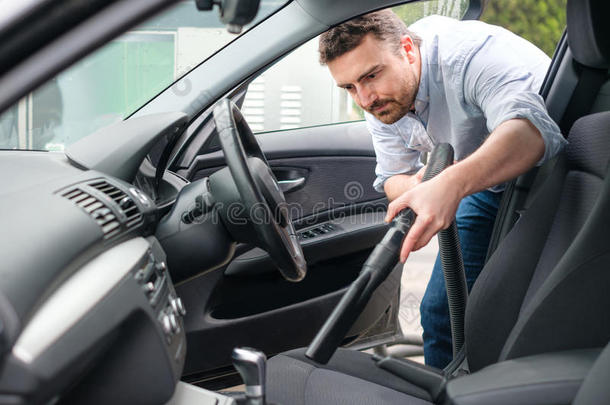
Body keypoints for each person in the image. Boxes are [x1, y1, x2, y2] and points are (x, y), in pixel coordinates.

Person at [318, 10, 567, 368]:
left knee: (509, 312)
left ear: (407, 48)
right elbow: (392, 178)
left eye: (371, 76)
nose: (365, 98)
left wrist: (449, 183)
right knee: (444, 313)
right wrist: (424, 184)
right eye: (349, 87)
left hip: (559, 172)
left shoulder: (468, 55)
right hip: (486, 185)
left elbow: (531, 133)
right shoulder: (382, 99)